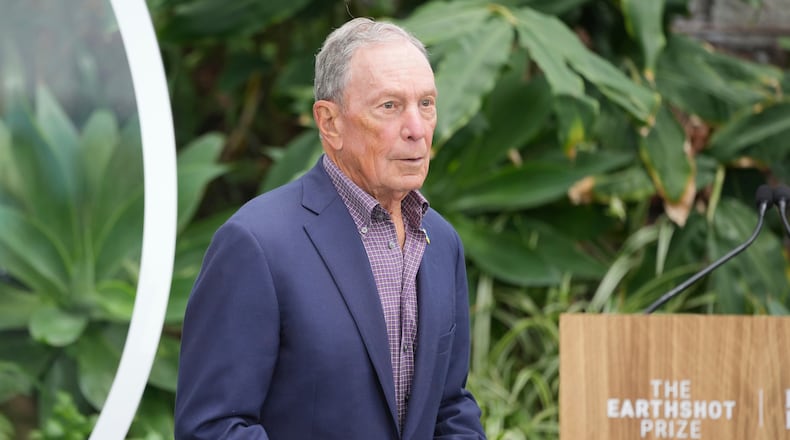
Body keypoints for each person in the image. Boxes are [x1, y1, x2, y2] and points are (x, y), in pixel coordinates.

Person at [174, 17, 486, 439]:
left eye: (426, 104)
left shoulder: (441, 242)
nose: (416, 130)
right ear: (330, 123)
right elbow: (211, 428)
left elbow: (450, 408)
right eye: (390, 106)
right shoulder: (256, 244)